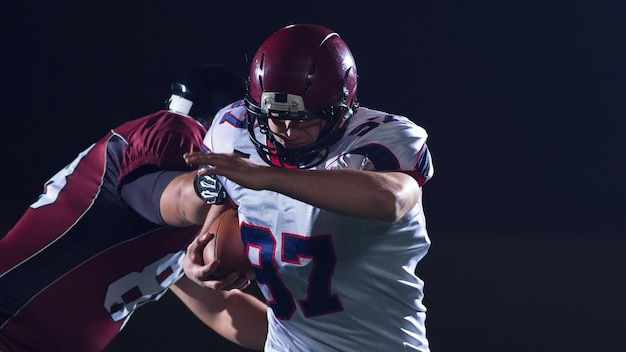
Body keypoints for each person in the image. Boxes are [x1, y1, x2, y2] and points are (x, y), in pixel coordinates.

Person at [182, 24, 435, 351]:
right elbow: (222, 218)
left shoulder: (382, 138)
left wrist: (269, 177)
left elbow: (390, 199)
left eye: (304, 118)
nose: (287, 130)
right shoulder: (235, 132)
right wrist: (197, 262)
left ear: (341, 110)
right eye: (276, 116)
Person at [0, 64, 267, 352]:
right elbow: (178, 198)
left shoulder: (197, 220)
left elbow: (221, 308)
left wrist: (311, 340)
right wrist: (271, 187)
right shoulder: (175, 131)